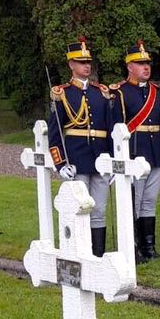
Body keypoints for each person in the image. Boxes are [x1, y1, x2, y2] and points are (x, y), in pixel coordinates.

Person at [48, 38, 113, 257]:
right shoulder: (63, 93)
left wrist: (112, 161)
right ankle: (80, 253)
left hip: (101, 158)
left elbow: (111, 130)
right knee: (80, 208)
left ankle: (98, 255)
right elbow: (55, 134)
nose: (86, 65)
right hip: (77, 159)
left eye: (88, 61)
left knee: (100, 210)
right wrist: (60, 164)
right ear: (71, 65)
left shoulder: (100, 92)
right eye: (81, 61)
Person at [110, 41, 160, 260]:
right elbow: (116, 129)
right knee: (134, 203)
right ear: (129, 67)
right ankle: (133, 247)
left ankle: (149, 247)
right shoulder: (120, 92)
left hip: (155, 153)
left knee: (149, 202)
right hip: (135, 154)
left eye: (147, 63)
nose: (146, 67)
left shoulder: (156, 92)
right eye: (140, 63)